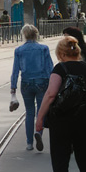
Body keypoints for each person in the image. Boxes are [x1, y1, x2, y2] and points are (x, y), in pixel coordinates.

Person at [34, 35, 86, 172]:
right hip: (85, 118)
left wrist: (40, 118)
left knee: (60, 159)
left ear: (60, 53)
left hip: (61, 120)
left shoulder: (59, 69)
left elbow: (50, 95)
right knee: (85, 158)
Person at [10, 24, 53, 152]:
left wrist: (13, 89)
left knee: (29, 112)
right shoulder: (44, 48)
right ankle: (38, 133)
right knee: (41, 111)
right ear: (36, 34)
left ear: (24, 35)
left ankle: (29, 143)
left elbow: (15, 71)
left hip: (26, 84)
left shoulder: (19, 50)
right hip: (42, 83)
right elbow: (50, 68)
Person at [62, 26, 86, 155]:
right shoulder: (83, 50)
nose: (64, 38)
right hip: (85, 86)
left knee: (77, 116)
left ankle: (85, 143)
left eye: (66, 36)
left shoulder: (76, 51)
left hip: (77, 87)